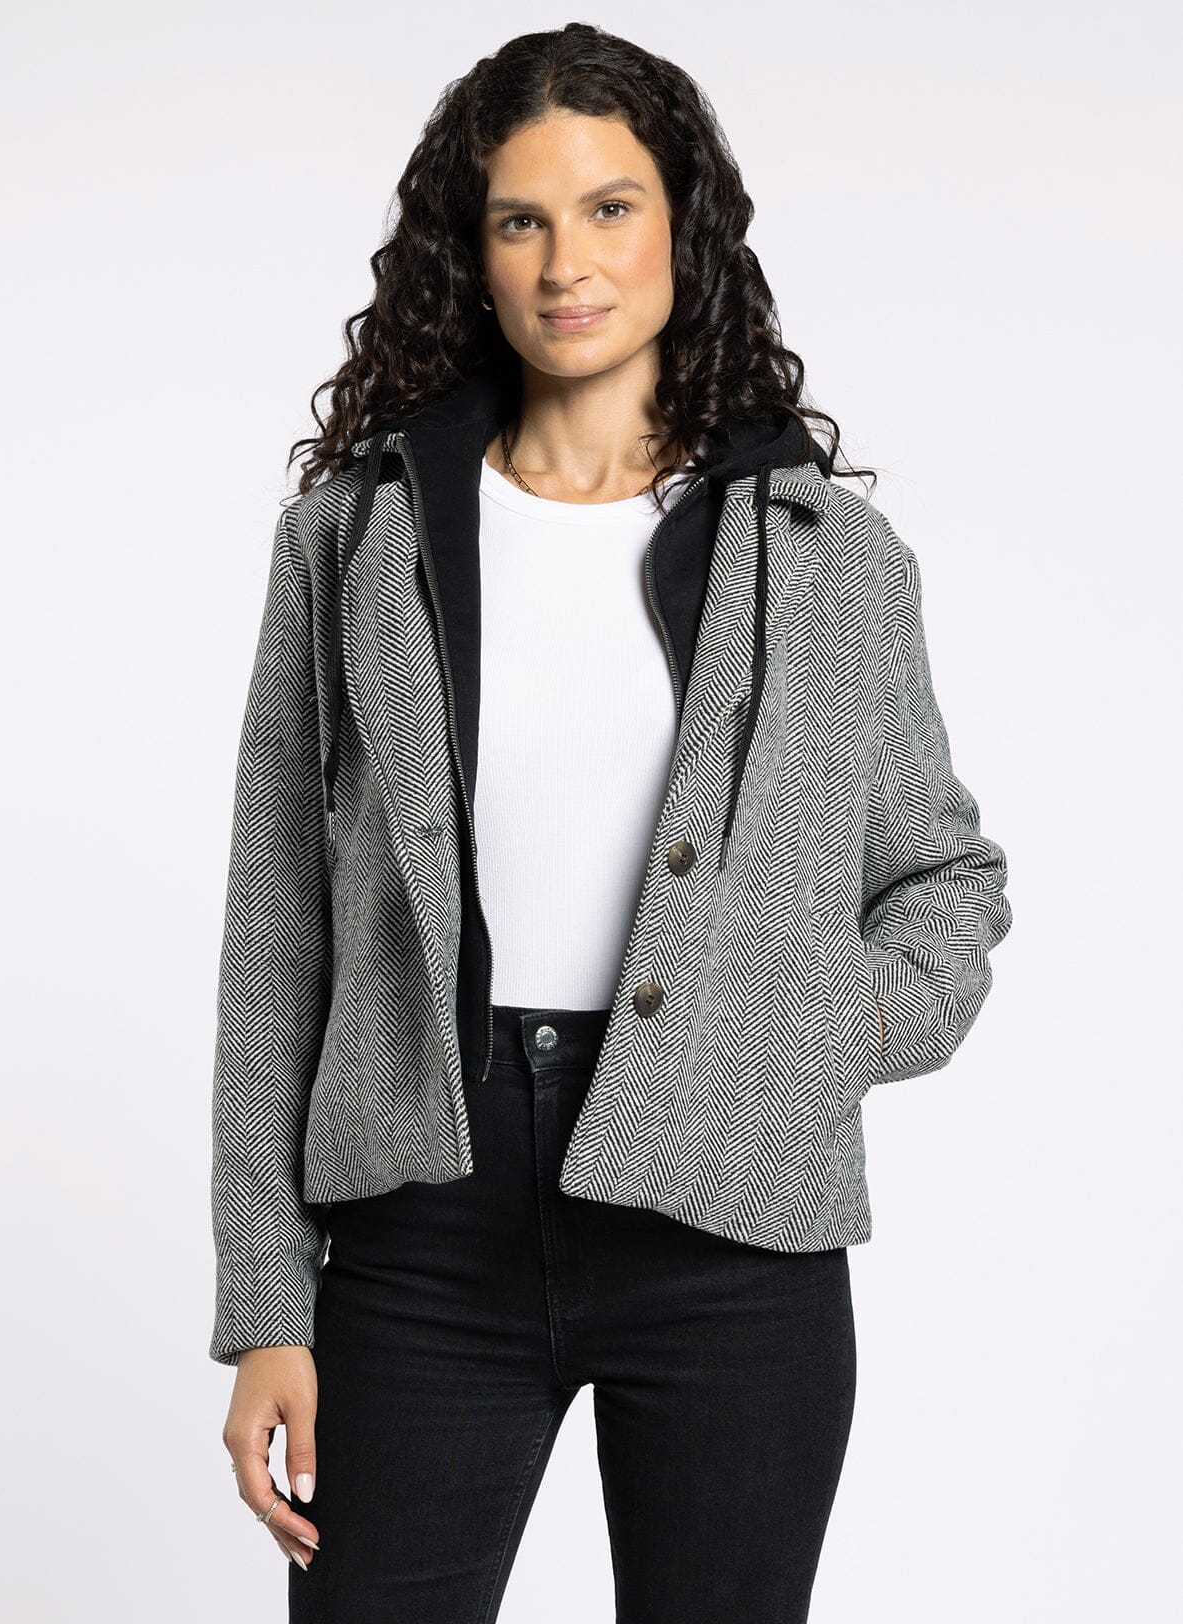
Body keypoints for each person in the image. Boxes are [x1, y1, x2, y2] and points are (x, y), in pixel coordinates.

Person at [209, 22, 1013, 1622]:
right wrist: (264, 1303)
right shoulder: (355, 540)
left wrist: (811, 1030)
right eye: (519, 219)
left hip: (733, 1233)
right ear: (471, 251)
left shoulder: (830, 559)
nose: (564, 262)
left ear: (681, 228)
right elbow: (276, 923)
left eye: (608, 209)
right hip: (422, 1223)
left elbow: (942, 877)